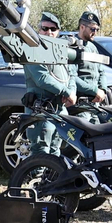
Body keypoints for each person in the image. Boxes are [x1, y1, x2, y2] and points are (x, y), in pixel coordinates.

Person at [20, 11, 76, 156]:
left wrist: (71, 92)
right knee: (41, 153)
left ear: (58, 32)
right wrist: (66, 92)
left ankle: (53, 179)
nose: (48, 32)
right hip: (41, 110)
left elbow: (71, 76)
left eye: (53, 29)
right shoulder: (32, 49)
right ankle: (36, 179)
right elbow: (42, 78)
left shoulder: (60, 52)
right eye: (44, 28)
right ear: (39, 30)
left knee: (55, 152)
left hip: (59, 109)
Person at [72, 11, 110, 105]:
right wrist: (95, 91)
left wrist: (103, 89)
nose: (95, 33)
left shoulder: (93, 47)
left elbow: (101, 71)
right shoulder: (72, 46)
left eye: (97, 30)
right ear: (82, 27)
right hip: (80, 104)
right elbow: (71, 77)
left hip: (95, 102)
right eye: (92, 29)